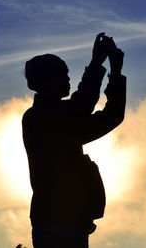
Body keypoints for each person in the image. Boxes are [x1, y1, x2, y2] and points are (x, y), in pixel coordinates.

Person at [22, 33, 126, 248]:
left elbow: (111, 116)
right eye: (61, 74)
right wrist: (97, 64)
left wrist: (116, 73)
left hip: (73, 225)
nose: (68, 79)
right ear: (43, 80)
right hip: (54, 226)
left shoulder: (64, 124)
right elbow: (81, 105)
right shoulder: (38, 118)